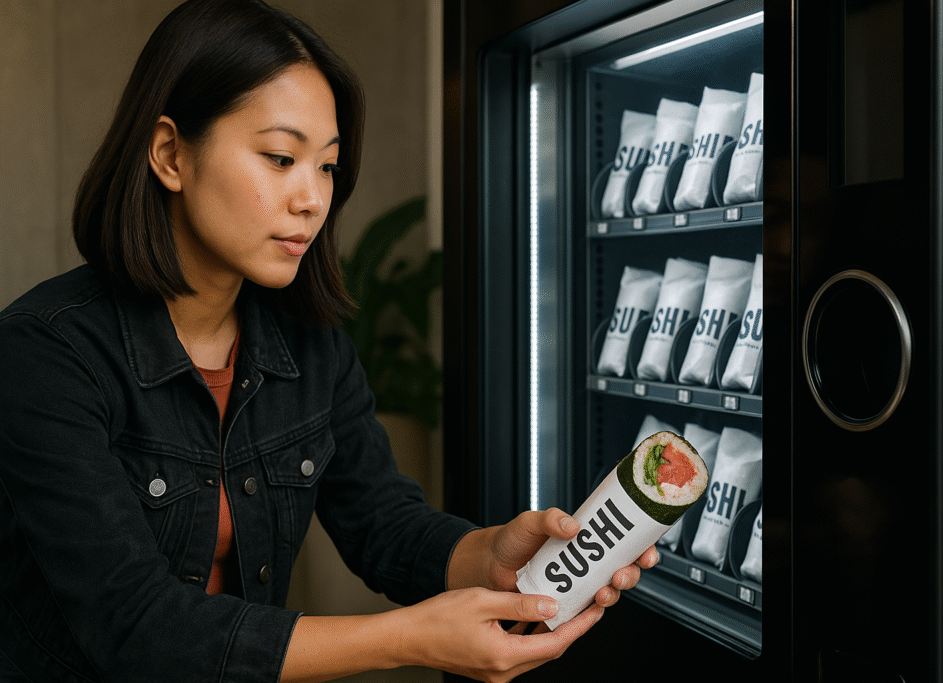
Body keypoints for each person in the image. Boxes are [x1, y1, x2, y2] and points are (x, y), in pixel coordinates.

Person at [0, 1, 658, 681]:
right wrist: (409, 637)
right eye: (282, 157)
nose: (313, 197)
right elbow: (135, 626)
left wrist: (490, 553)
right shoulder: (46, 355)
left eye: (328, 166)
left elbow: (383, 524)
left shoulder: (311, 346)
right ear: (170, 154)